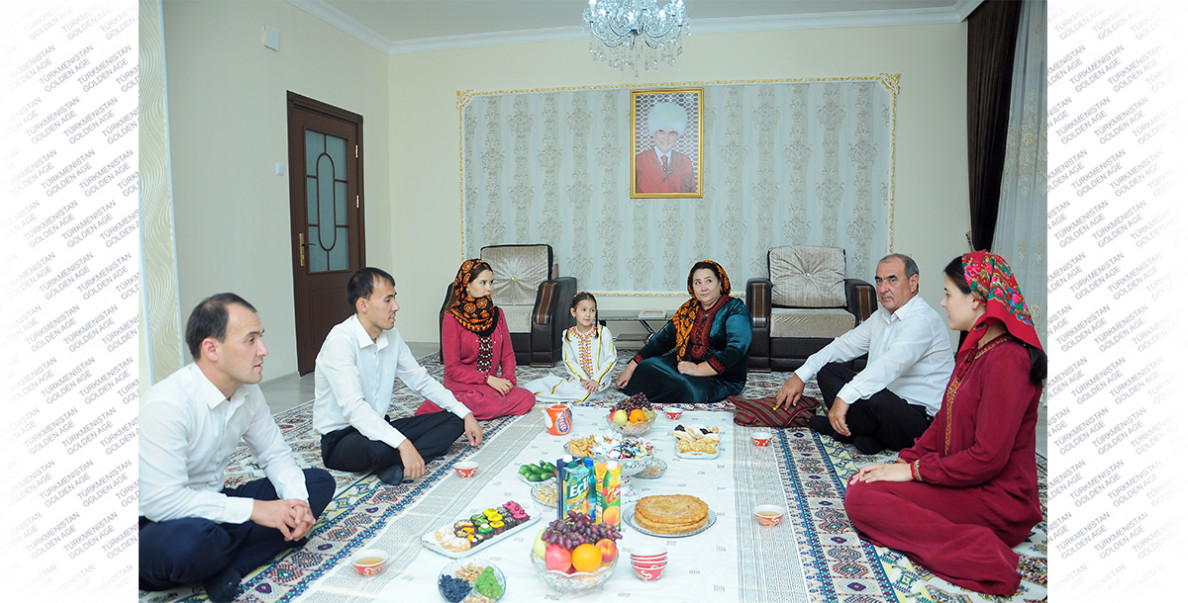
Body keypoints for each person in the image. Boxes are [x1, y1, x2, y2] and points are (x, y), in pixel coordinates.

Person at [844, 252, 1046, 596]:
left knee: (862, 500)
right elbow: (942, 423)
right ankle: (968, 535)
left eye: (950, 294)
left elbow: (988, 458)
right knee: (864, 488)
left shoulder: (1007, 360)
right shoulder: (975, 349)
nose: (943, 302)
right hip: (963, 482)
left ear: (977, 300)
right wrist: (902, 463)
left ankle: (984, 556)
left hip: (998, 500)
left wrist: (915, 473)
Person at [140, 294, 335, 603]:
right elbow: (161, 502)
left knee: (317, 484)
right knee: (193, 543)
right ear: (211, 349)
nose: (264, 350)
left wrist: (297, 504)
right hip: (158, 522)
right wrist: (257, 511)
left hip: (214, 502)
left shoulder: (248, 393)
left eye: (261, 338)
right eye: (251, 340)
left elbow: (274, 454)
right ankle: (222, 557)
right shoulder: (167, 404)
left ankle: (222, 566)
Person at [315, 267, 483, 486]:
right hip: (342, 439)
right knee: (382, 447)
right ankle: (398, 458)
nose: (396, 307)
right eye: (387, 300)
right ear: (363, 305)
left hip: (378, 425)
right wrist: (403, 444)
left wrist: (466, 414)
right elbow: (354, 409)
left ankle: (395, 465)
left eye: (395, 298)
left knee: (455, 420)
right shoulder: (340, 341)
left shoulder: (391, 336)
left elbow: (420, 380)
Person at [775, 253, 954, 454]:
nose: (883, 289)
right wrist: (800, 375)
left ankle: (843, 431)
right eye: (879, 281)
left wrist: (844, 398)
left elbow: (889, 366)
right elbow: (843, 345)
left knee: (873, 395)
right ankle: (866, 434)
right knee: (828, 370)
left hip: (919, 419)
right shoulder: (882, 316)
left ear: (913, 283)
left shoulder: (922, 320)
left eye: (892, 280)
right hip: (883, 404)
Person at [615, 260, 750, 404]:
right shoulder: (689, 309)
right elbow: (663, 339)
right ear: (692, 287)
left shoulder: (735, 308)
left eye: (709, 281)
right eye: (697, 282)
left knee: (686, 388)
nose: (703, 288)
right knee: (646, 367)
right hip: (684, 364)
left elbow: (737, 349)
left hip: (720, 377)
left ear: (720, 283)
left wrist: (698, 369)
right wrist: (630, 368)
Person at [416, 259, 536, 419]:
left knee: (527, 398)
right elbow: (452, 368)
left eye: (491, 282)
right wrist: (487, 379)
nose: (489, 288)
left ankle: (455, 407)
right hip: (463, 384)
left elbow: (507, 355)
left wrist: (506, 380)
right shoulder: (452, 318)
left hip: (490, 386)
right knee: (491, 404)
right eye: (483, 283)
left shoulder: (497, 314)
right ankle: (440, 404)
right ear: (467, 285)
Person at [524, 292, 617, 403]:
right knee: (568, 390)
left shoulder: (603, 332)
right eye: (583, 310)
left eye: (592, 310)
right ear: (573, 312)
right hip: (579, 380)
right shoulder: (568, 335)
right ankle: (532, 390)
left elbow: (611, 358)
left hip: (600, 381)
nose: (588, 314)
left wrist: (596, 380)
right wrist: (583, 380)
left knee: (587, 395)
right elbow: (569, 361)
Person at [634, 101, 695, 194]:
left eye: (671, 133)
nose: (666, 138)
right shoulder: (638, 161)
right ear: (654, 134)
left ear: (676, 137)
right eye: (661, 132)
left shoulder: (685, 161)